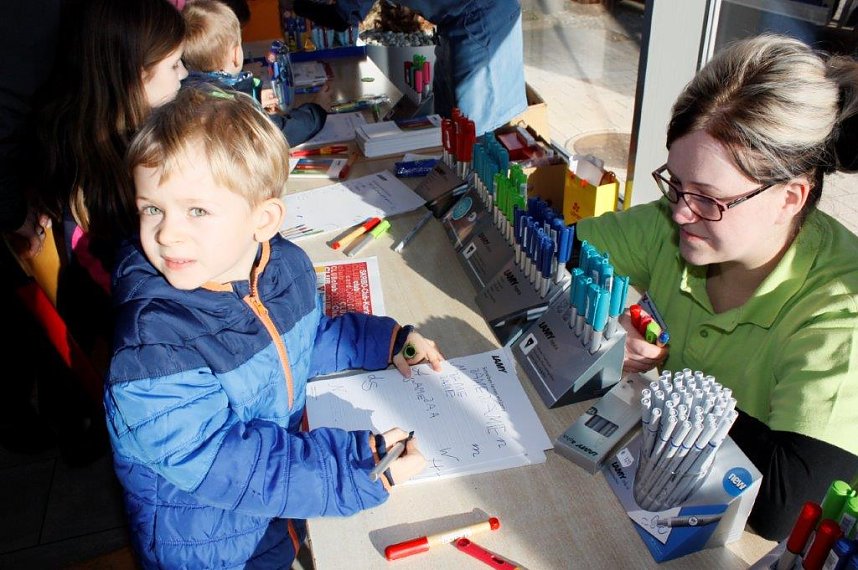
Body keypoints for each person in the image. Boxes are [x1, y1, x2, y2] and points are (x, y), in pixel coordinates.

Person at [105, 85, 441, 567]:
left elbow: (304, 339)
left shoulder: (282, 268)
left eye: (197, 210)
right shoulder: (152, 342)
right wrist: (352, 470)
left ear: (263, 220)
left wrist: (388, 341)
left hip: (276, 509)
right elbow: (229, 463)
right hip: (211, 545)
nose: (167, 233)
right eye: (152, 208)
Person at [576, 34, 858, 540]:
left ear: (790, 197)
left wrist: (668, 397)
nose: (681, 213)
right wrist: (605, 311)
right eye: (675, 182)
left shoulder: (841, 313)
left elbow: (787, 507)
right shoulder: (678, 223)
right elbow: (554, 251)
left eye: (709, 198)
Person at [36, 0, 187, 372]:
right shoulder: (107, 175)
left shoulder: (92, 142)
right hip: (150, 343)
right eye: (174, 65)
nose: (184, 74)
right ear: (138, 76)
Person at [280, 0, 527, 135]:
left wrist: (297, 5)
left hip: (482, 16)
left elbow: (345, 17)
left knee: (474, 122)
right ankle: (449, 177)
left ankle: (476, 190)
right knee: (447, 114)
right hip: (454, 21)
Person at [181, 0, 328, 146]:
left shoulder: (186, 92)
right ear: (236, 55)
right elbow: (279, 133)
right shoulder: (233, 107)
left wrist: (254, 98)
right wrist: (317, 110)